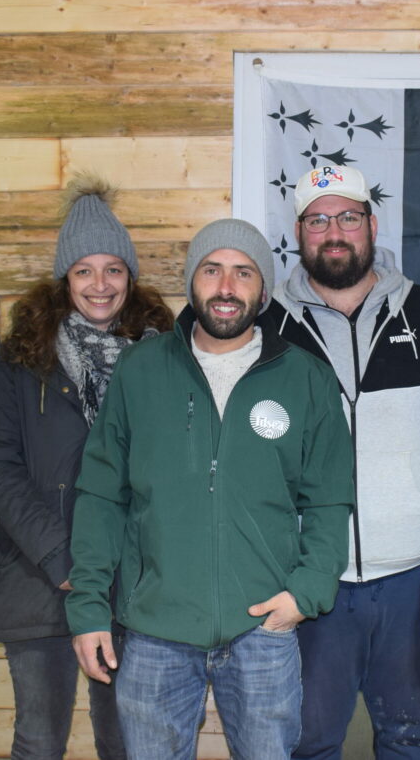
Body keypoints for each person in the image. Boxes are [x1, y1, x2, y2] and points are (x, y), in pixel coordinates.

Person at [65, 218, 355, 760]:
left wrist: (305, 592)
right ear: (191, 282)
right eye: (212, 270)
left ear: (262, 290)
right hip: (154, 631)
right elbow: (102, 495)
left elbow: (329, 498)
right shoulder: (140, 370)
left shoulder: (307, 378)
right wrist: (87, 609)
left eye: (243, 273)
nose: (226, 287)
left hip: (264, 628)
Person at [267, 165, 420, 758]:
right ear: (299, 232)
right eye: (319, 219)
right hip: (308, 576)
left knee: (414, 738)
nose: (335, 231)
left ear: (371, 225)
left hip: (413, 575)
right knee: (306, 743)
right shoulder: (266, 326)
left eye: (348, 217)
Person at [0, 175, 173, 759]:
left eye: (113, 268)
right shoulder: (23, 358)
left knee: (125, 740)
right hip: (41, 580)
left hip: (131, 586)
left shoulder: (165, 354)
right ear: (65, 278)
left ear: (130, 277)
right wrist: (63, 558)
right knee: (39, 740)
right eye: (84, 270)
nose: (100, 284)